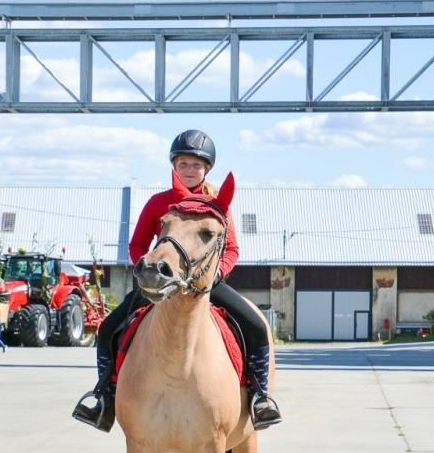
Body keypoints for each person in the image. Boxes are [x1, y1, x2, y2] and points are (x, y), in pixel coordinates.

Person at [72, 129, 280, 432]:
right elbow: (137, 244)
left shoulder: (218, 204)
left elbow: (232, 248)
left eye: (195, 165)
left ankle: (259, 398)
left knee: (257, 326)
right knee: (107, 328)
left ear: (206, 168)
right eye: (183, 164)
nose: (189, 170)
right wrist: (148, 272)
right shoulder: (159, 203)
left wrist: (216, 274)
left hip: (205, 283)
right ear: (174, 166)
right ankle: (104, 396)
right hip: (160, 284)